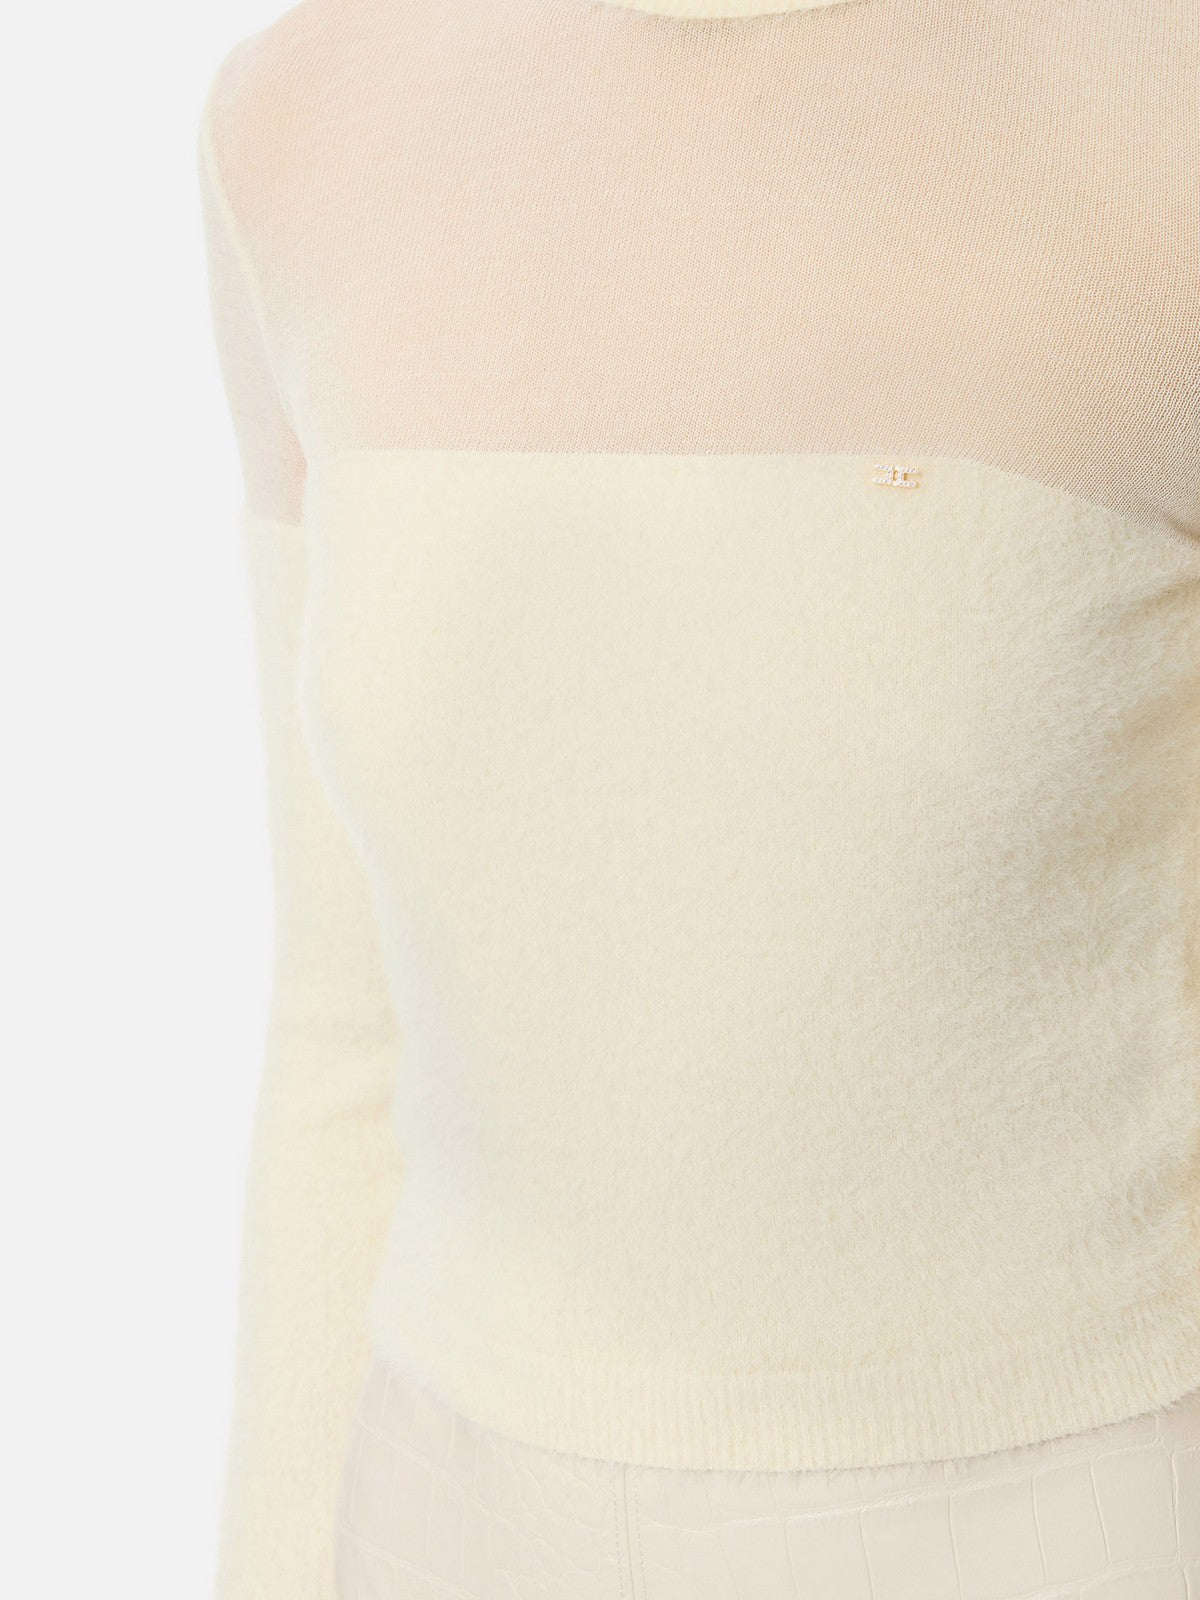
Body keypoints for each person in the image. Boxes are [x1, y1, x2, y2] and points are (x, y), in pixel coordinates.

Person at [197, 0, 1200, 1594]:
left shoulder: (1155, 106)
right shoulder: (299, 114)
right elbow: (345, 1021)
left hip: (1064, 1513)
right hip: (435, 1513)